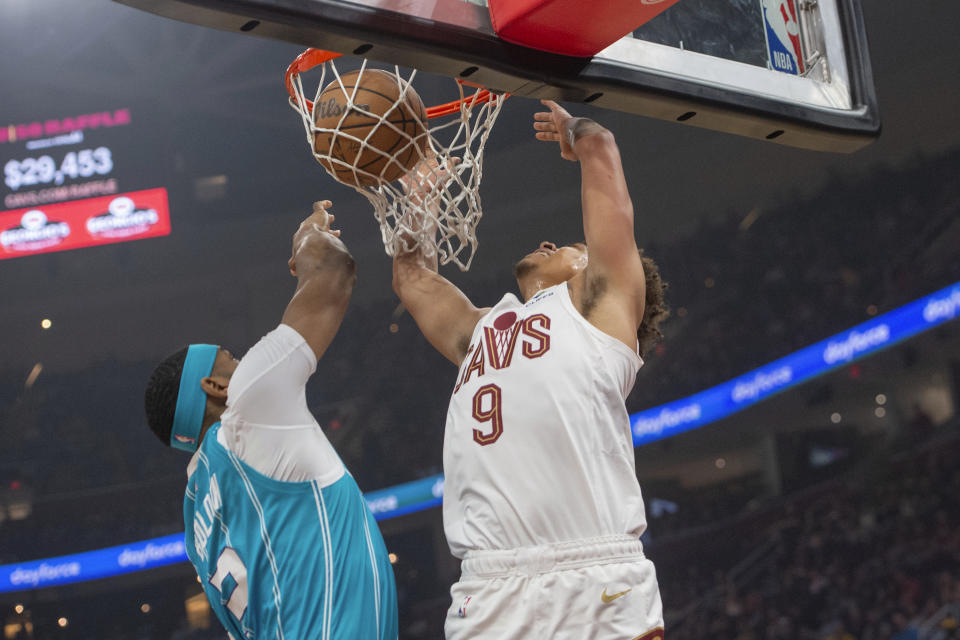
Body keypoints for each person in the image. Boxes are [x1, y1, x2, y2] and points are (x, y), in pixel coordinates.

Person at [392, 100, 669, 639]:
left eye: (567, 246)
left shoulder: (601, 313)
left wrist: (576, 131)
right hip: (489, 583)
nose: (548, 243)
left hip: (595, 570)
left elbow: (602, 148)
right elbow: (410, 278)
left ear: (593, 264)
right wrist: (417, 200)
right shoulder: (482, 330)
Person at [144, 201, 397, 640]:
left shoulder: (195, 520)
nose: (242, 361)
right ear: (215, 387)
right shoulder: (246, 407)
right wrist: (308, 236)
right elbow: (334, 275)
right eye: (231, 358)